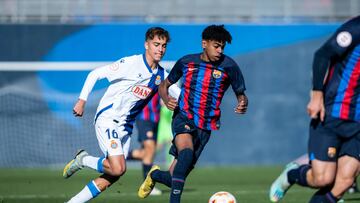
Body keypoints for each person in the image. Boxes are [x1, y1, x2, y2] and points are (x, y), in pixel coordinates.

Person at [62, 27, 180, 203]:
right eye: (156, 44)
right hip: (108, 119)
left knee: (114, 174)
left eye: (163, 46)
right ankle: (84, 159)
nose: (160, 49)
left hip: (125, 128)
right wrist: (82, 101)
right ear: (146, 44)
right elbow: (95, 74)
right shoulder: (131, 63)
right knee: (117, 168)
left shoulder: (162, 75)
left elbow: (180, 94)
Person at [138, 24, 248, 203]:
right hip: (184, 117)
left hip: (206, 126)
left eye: (222, 47)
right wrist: (166, 100)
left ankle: (156, 175)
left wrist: (242, 103)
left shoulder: (229, 66)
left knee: (174, 176)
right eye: (216, 46)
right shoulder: (186, 62)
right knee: (186, 153)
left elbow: (241, 95)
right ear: (204, 43)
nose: (219, 50)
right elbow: (164, 85)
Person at [269, 16, 360, 203]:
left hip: (358, 121)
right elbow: (323, 54)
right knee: (323, 179)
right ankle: (292, 175)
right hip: (333, 111)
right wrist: (317, 96)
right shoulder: (355, 28)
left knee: (344, 181)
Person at [127, 93, 162, 195]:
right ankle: (147, 187)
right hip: (144, 118)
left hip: (155, 119)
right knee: (150, 149)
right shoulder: (147, 78)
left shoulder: (163, 79)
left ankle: (120, 156)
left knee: (146, 153)